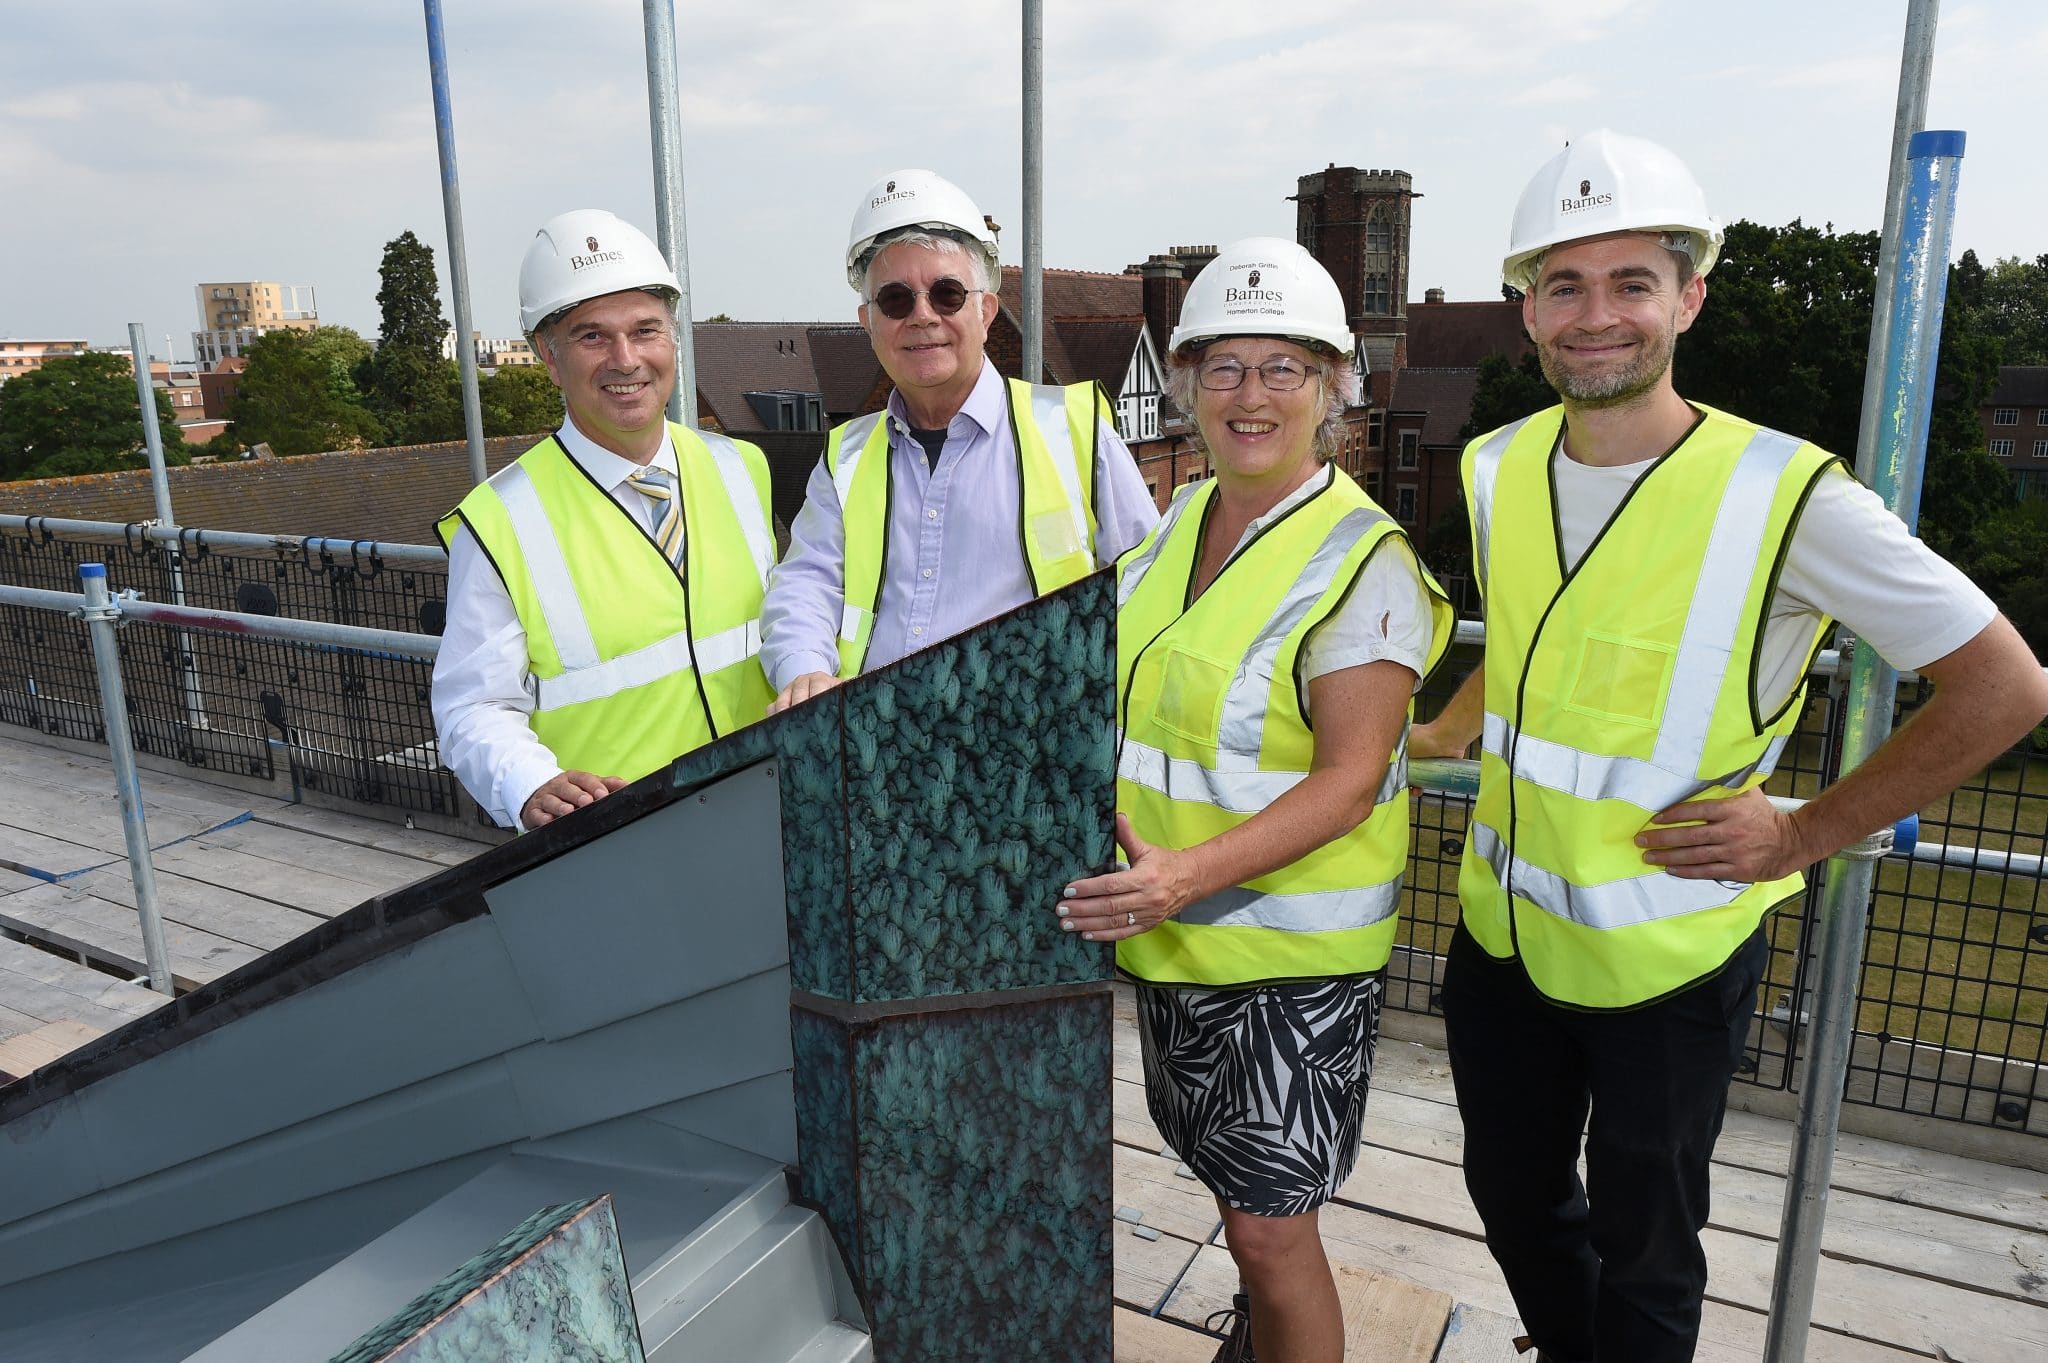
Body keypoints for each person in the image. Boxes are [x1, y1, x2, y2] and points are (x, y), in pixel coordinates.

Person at [1409, 130, 2048, 1362]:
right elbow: (1543, 630)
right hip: (1500, 930)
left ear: (1687, 297)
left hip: (1669, 953)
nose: (1595, 316)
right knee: (1511, 1198)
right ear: (1525, 310)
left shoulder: (1785, 494)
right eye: (1563, 286)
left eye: (1630, 282)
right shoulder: (1493, 465)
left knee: (1650, 1243)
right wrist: (1448, 725)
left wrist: (1805, 830)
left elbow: (2004, 685)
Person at [1058, 238, 1454, 1363]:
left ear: (1335, 389)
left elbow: (1350, 777)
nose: (1248, 395)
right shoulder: (1181, 522)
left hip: (1284, 964)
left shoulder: (1358, 560)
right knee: (1238, 1208)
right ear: (1183, 384)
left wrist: (1179, 875)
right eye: (1223, 367)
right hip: (1179, 945)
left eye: (1284, 368)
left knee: (1273, 1235)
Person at [759, 169, 1157, 710]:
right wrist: (803, 671)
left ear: (985, 311)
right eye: (895, 300)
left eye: (946, 294)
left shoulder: (1074, 433)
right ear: (868, 322)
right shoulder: (845, 457)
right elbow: (806, 585)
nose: (922, 316)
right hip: (881, 751)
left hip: (1029, 759)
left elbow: (1148, 595)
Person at [433, 209, 776, 830]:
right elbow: (472, 704)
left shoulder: (742, 468)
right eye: (593, 337)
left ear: (673, 339)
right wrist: (528, 782)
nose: (626, 359)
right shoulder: (499, 520)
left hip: (765, 807)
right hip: (619, 841)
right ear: (549, 356)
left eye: (646, 330)